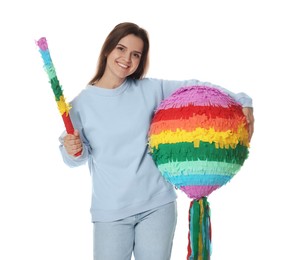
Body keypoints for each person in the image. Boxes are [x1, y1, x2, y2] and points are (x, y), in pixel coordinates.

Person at [59, 22, 254, 260]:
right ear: (108, 49)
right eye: (121, 49)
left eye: (135, 54)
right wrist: (72, 150)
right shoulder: (80, 105)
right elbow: (76, 158)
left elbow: (196, 87)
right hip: (110, 212)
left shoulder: (150, 89)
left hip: (157, 206)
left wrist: (242, 99)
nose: (126, 59)